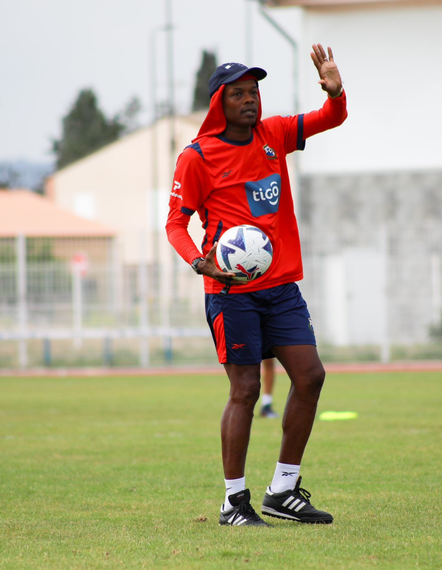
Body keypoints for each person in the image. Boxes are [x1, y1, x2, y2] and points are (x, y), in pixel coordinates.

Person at [165, 44, 347, 526]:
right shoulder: (197, 157)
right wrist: (200, 263)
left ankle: (283, 490)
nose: (251, 100)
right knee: (244, 390)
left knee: (310, 376)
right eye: (239, 94)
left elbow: (331, 118)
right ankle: (233, 501)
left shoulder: (276, 133)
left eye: (255, 92)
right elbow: (175, 225)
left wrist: (335, 91)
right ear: (218, 103)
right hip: (232, 293)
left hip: (282, 287)